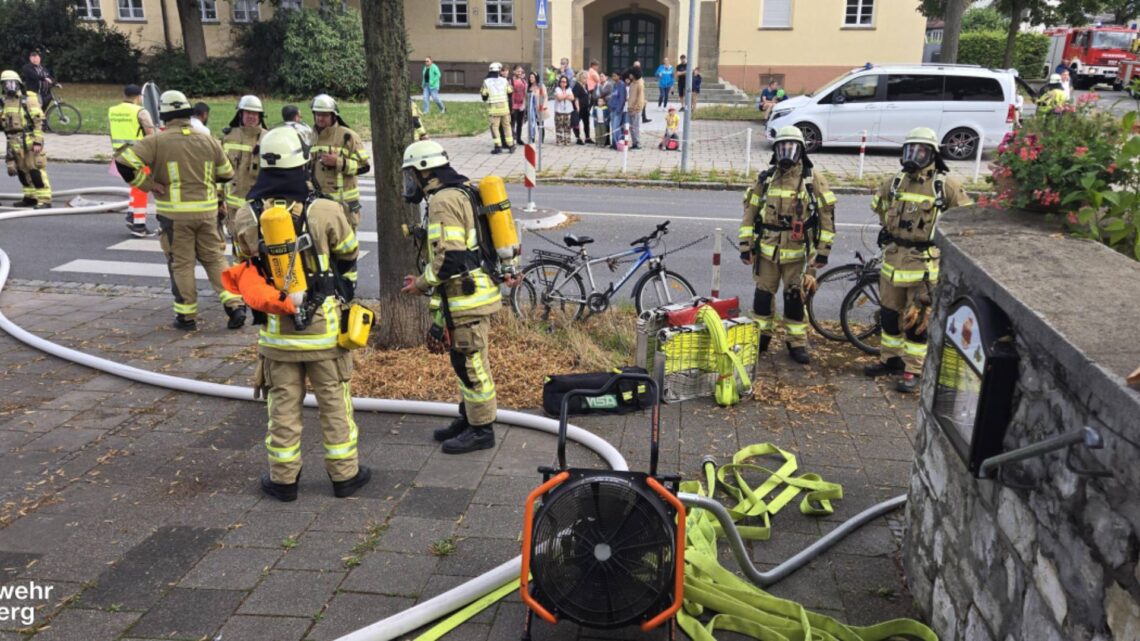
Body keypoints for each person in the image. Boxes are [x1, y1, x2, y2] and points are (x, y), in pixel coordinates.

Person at [231, 126, 370, 502]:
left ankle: (283, 481)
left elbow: (242, 266)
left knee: (282, 411)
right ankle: (345, 477)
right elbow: (348, 252)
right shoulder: (324, 209)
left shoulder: (246, 214)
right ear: (302, 164)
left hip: (277, 335)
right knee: (335, 406)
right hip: (324, 333)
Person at [399, 140, 502, 455]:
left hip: (465, 297)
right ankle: (469, 418)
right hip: (466, 295)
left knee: (472, 364)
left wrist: (421, 282)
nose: (411, 182)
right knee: (463, 360)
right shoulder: (461, 190)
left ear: (425, 171)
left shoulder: (443, 201)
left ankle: (482, 430)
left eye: (412, 174)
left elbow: (452, 258)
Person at [114, 90, 245, 331]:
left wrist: (149, 185)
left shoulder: (156, 141)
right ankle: (234, 306)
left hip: (174, 215)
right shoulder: (207, 139)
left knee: (182, 264)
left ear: (163, 116)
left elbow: (123, 163)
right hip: (207, 213)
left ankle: (187, 317)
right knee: (216, 259)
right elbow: (227, 173)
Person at [865, 127, 972, 393]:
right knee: (889, 315)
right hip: (893, 261)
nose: (914, 155)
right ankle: (889, 359)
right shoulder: (895, 182)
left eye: (920, 151)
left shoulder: (946, 186)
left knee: (917, 321)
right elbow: (880, 206)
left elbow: (964, 223)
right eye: (910, 149)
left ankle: (912, 369)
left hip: (923, 265)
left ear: (932, 154)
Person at [738, 126, 837, 365]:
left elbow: (827, 219)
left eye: (791, 148)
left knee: (794, 300)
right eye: (782, 147)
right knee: (762, 298)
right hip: (767, 252)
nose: (786, 153)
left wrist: (822, 253)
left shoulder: (813, 181)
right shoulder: (766, 179)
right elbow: (749, 214)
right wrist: (745, 245)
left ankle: (796, 343)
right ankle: (762, 336)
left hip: (798, 255)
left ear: (801, 150)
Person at [309, 94, 370, 230]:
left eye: (324, 115)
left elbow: (364, 167)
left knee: (346, 248)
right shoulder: (311, 137)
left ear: (333, 115)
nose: (320, 118)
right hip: (318, 202)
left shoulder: (349, 136)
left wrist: (338, 162)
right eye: (317, 114)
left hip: (345, 206)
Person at [108, 83, 157, 236]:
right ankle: (139, 226)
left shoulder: (113, 111)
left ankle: (131, 215)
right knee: (142, 188)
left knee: (134, 187)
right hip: (137, 155)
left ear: (124, 95)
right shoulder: (140, 111)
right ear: (138, 97)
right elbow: (150, 134)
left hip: (120, 155)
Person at [221, 95, 267, 253]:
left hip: (259, 204)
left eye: (255, 114)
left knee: (258, 246)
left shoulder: (268, 138)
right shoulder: (229, 137)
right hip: (233, 205)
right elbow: (219, 170)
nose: (251, 117)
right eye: (248, 113)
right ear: (240, 114)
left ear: (260, 116)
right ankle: (241, 274)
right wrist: (219, 200)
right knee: (238, 247)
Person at [2, 70, 51, 209]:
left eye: (12, 83)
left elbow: (39, 121)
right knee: (22, 171)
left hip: (29, 140)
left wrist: (38, 141)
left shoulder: (28, 99)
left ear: (18, 84)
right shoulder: (4, 102)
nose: (9, 86)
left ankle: (44, 199)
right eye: (6, 84)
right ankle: (30, 197)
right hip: (14, 142)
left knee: (35, 170)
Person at [480, 62, 515, 154]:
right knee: (507, 126)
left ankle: (498, 147)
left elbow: (484, 96)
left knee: (494, 127)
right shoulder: (504, 80)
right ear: (499, 70)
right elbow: (510, 92)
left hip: (494, 110)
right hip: (505, 108)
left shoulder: (486, 81)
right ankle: (511, 146)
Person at [626, 68, 646, 149]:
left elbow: (640, 99)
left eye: (631, 74)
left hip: (635, 110)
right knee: (631, 127)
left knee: (635, 127)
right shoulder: (632, 83)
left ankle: (637, 143)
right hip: (630, 108)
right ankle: (634, 142)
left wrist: (636, 109)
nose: (629, 75)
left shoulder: (640, 84)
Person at [607, 71, 627, 150]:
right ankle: (614, 143)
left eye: (615, 76)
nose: (613, 77)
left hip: (618, 110)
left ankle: (618, 143)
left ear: (619, 76)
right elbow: (613, 96)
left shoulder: (621, 85)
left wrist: (619, 109)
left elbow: (622, 98)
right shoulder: (614, 85)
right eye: (612, 76)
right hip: (612, 108)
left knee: (616, 127)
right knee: (613, 127)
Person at [553, 76, 575, 146]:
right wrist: (567, 95)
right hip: (559, 110)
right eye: (562, 81)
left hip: (568, 111)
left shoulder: (569, 89)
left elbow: (572, 98)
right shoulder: (557, 89)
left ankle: (567, 140)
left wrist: (564, 95)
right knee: (559, 126)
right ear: (560, 82)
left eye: (565, 82)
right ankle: (559, 140)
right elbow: (559, 98)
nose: (563, 83)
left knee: (567, 126)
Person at [526, 71, 547, 144]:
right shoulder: (529, 87)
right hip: (531, 109)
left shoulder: (541, 86)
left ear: (536, 78)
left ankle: (541, 140)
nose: (530, 78)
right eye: (530, 77)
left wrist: (543, 105)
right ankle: (532, 138)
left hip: (539, 108)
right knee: (532, 124)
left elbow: (545, 96)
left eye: (532, 77)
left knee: (540, 124)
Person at [572, 70, 592, 145]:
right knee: (577, 123)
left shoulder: (585, 85)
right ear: (580, 78)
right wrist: (577, 107)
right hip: (579, 107)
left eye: (587, 78)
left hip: (585, 107)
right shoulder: (577, 85)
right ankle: (578, 138)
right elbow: (575, 97)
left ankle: (587, 137)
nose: (586, 80)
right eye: (584, 78)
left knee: (586, 122)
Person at [510, 66, 528, 145]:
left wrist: (524, 104)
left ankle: (518, 138)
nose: (520, 72)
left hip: (521, 104)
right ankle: (512, 138)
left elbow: (525, 94)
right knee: (512, 122)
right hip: (513, 104)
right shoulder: (511, 81)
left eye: (521, 71)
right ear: (514, 71)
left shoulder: (524, 81)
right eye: (518, 71)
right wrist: (512, 105)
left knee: (520, 123)